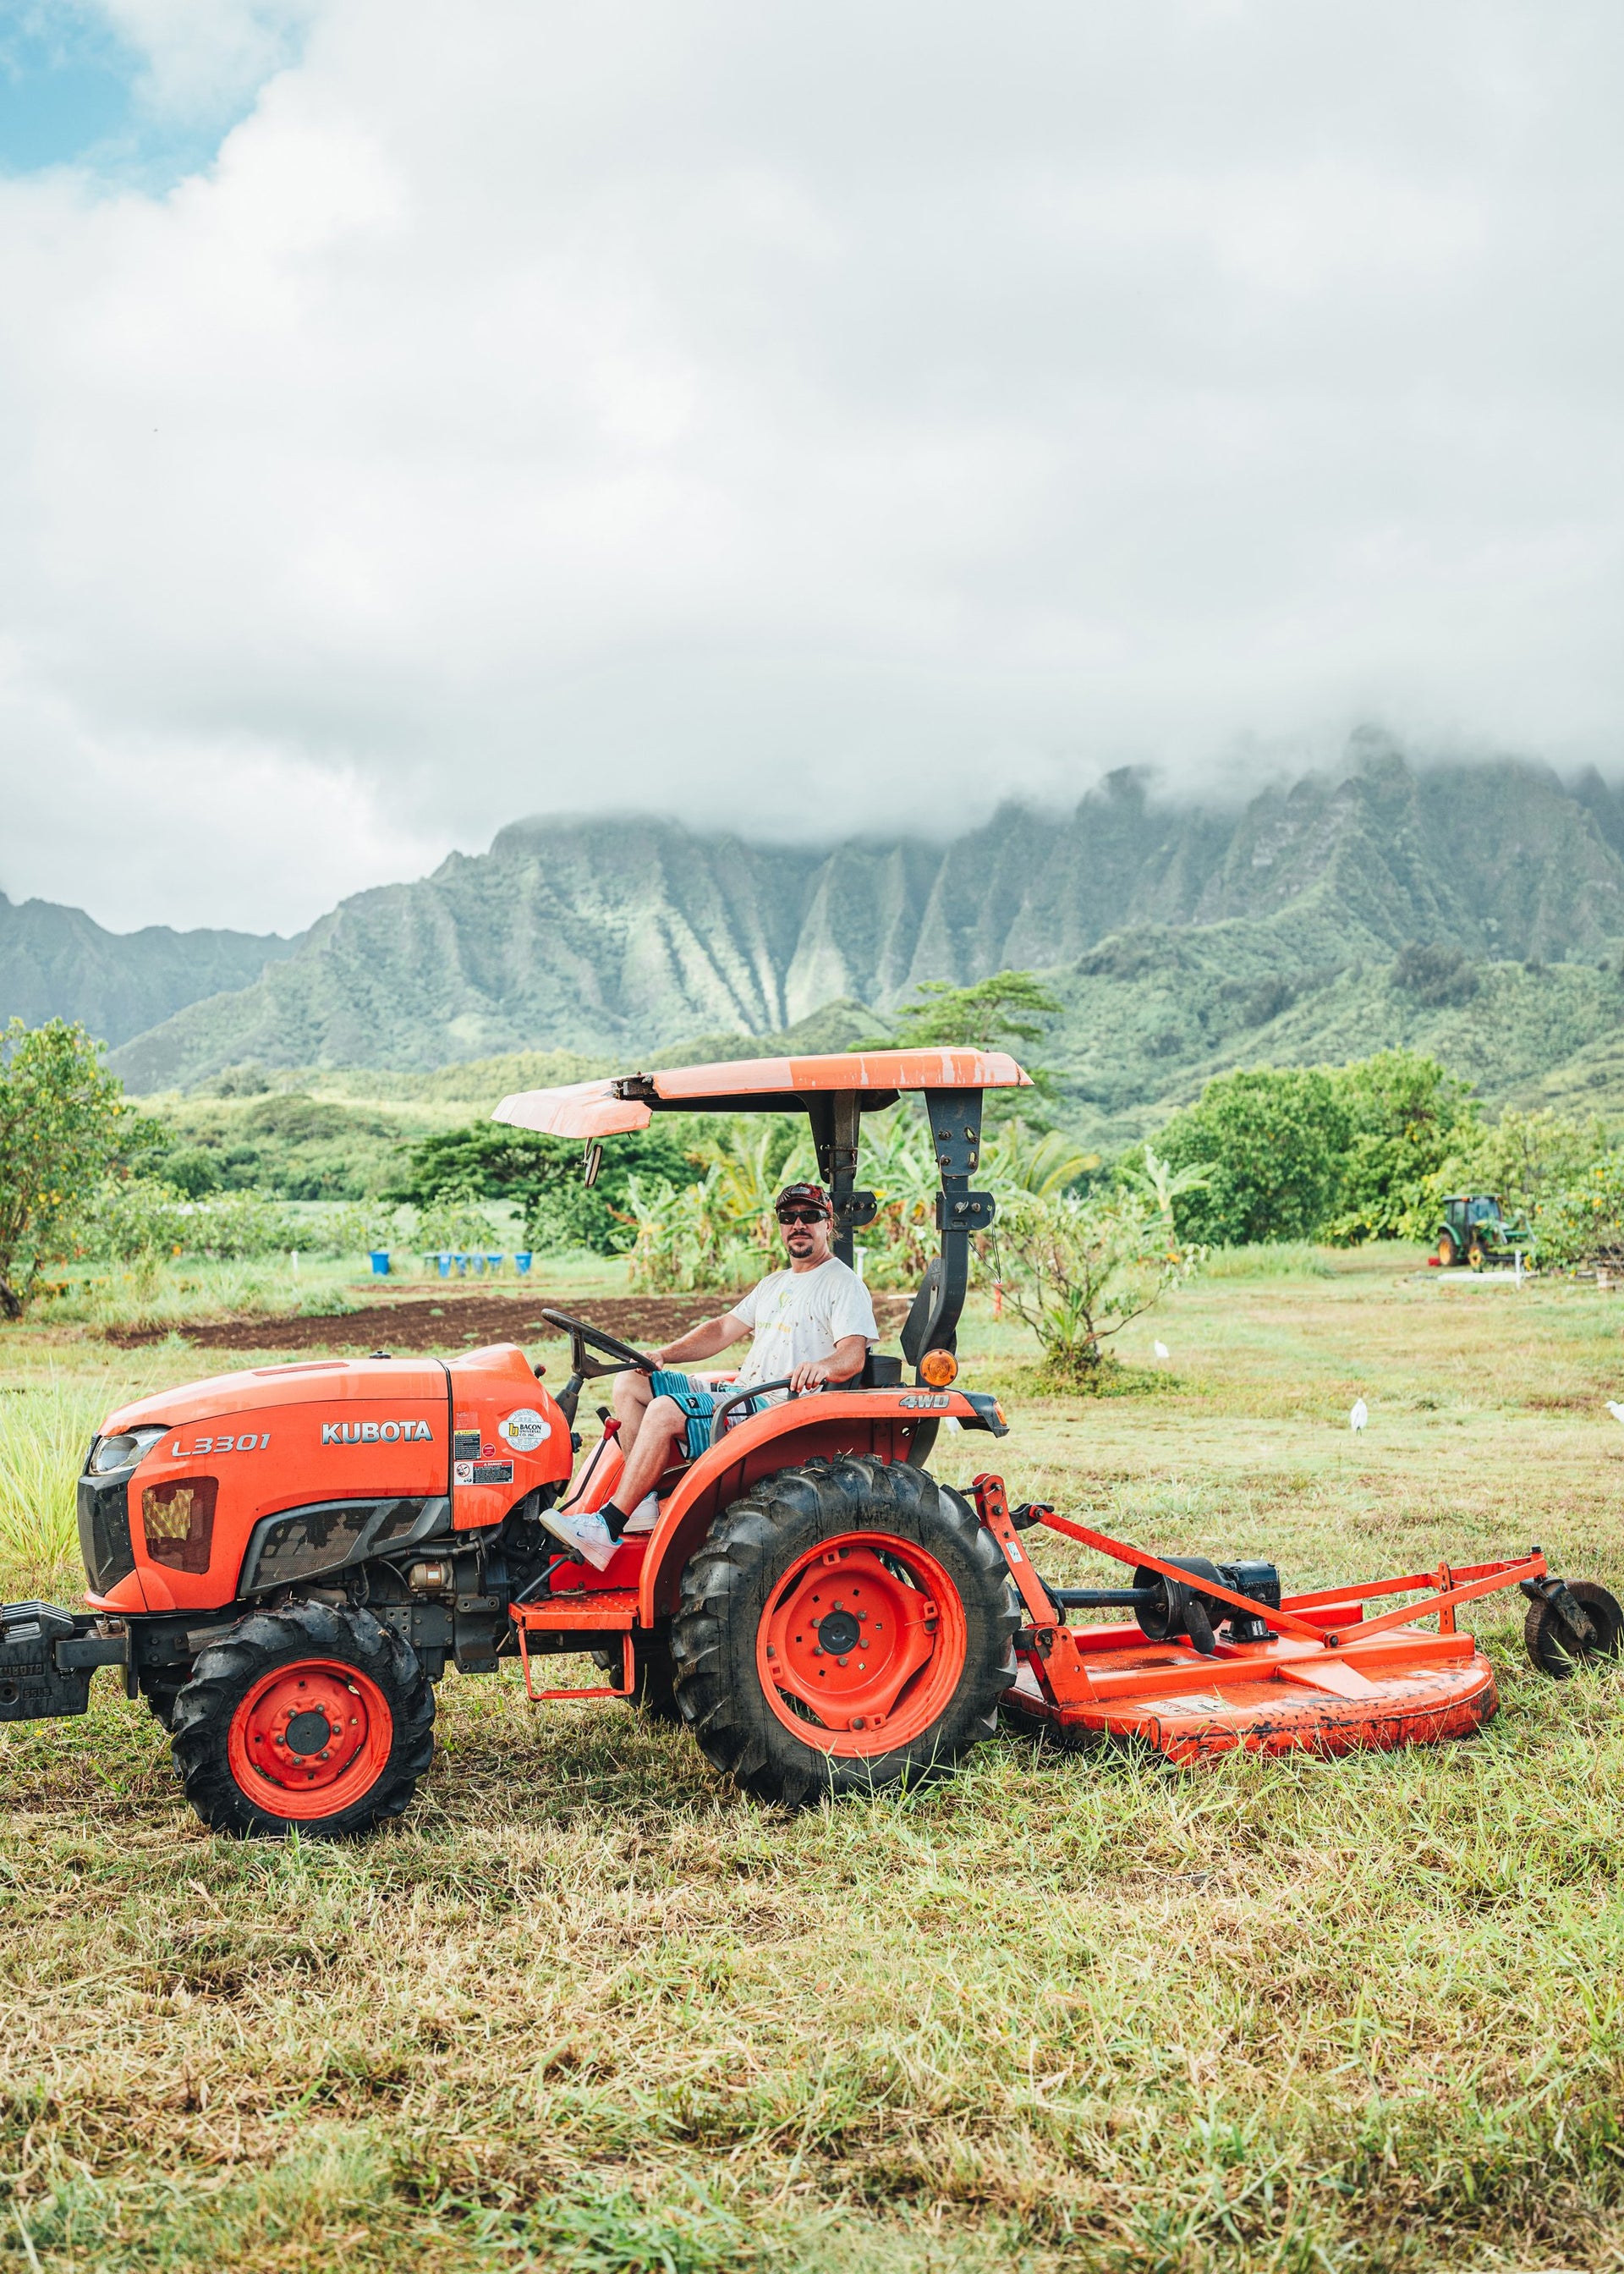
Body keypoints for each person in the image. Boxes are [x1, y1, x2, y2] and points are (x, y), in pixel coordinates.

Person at [543, 1182, 877, 1567]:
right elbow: (721, 1329)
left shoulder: (842, 1283)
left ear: (827, 1223)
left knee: (666, 1410)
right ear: (780, 1225)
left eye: (809, 1216)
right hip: (747, 1390)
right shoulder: (775, 1283)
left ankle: (608, 1526)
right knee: (631, 1382)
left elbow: (852, 1356)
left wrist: (822, 1366)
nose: (798, 1225)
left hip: (777, 1405)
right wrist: (662, 1355)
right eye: (789, 1218)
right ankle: (640, 1504)